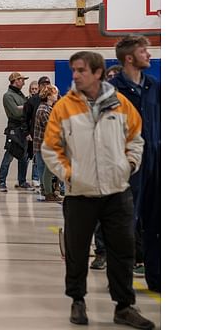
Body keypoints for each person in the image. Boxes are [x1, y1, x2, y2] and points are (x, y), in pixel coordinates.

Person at [42, 51, 154, 329]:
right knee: (77, 251)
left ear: (98, 73)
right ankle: (77, 301)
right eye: (73, 70)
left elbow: (136, 139)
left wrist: (129, 164)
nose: (75, 75)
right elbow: (50, 148)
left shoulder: (121, 104)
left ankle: (124, 307)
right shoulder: (63, 107)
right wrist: (70, 174)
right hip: (80, 194)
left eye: (81, 70)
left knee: (122, 251)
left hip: (118, 192)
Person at [110, 35, 160, 292]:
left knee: (157, 222)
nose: (149, 55)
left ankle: (157, 278)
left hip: (155, 162)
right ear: (129, 58)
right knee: (124, 224)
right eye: (144, 51)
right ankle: (120, 282)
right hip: (125, 164)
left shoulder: (154, 86)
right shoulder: (112, 91)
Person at [0, 72, 32, 192]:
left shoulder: (20, 95)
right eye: (22, 80)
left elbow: (24, 110)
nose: (24, 82)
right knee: (10, 155)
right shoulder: (8, 96)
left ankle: (22, 181)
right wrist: (26, 107)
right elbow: (16, 113)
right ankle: (2, 181)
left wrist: (23, 107)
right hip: (14, 129)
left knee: (24, 156)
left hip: (23, 128)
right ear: (15, 81)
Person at [33, 85, 62, 202]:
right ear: (49, 96)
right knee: (48, 170)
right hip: (44, 146)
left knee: (48, 170)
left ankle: (49, 191)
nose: (57, 96)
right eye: (55, 94)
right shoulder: (44, 110)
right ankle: (48, 193)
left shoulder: (48, 108)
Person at [24, 76, 52, 188]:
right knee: (38, 161)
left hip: (50, 136)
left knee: (49, 164)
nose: (46, 86)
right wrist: (27, 133)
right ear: (40, 86)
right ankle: (41, 184)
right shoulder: (32, 100)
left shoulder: (52, 99)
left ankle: (50, 187)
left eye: (48, 84)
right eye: (44, 84)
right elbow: (25, 118)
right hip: (37, 135)